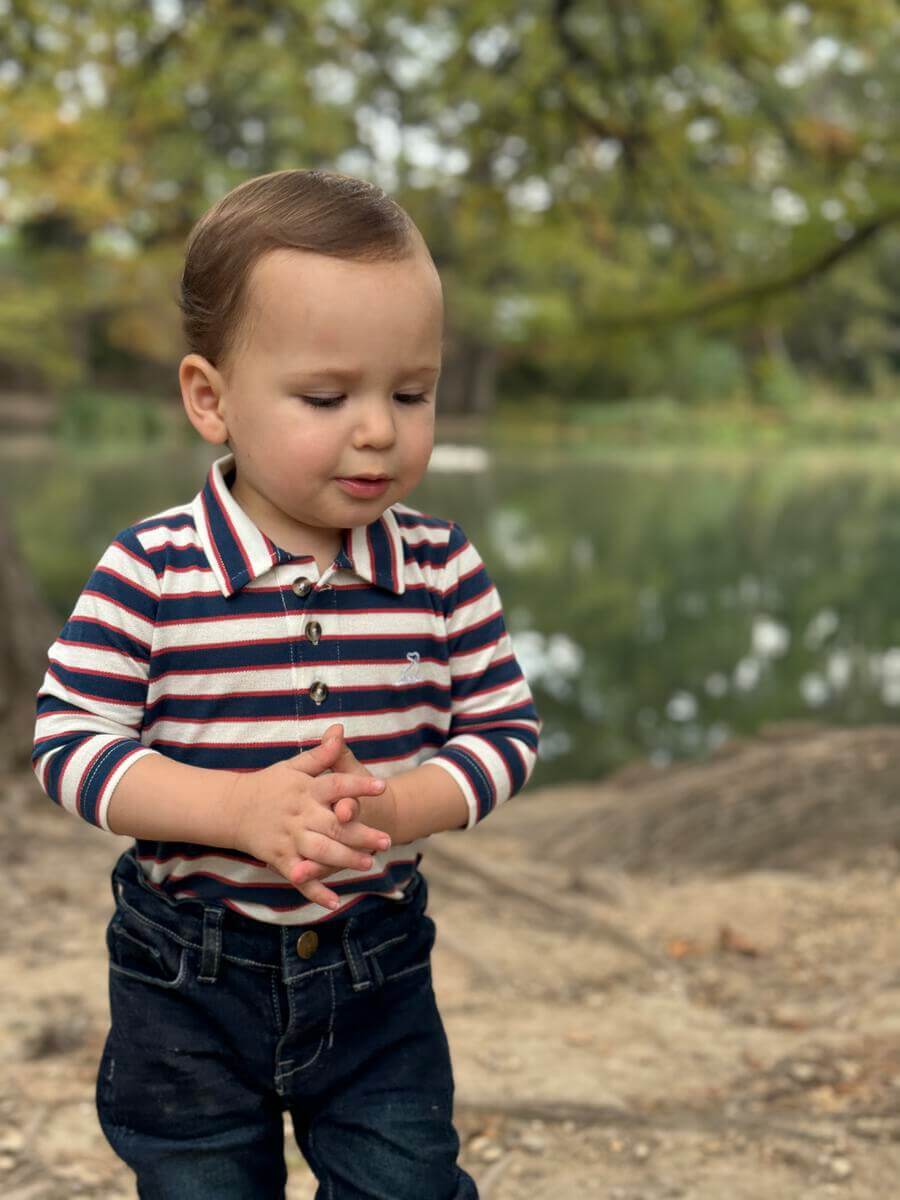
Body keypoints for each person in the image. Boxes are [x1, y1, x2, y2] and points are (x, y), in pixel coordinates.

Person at [31, 168, 541, 1199]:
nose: (378, 430)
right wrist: (233, 808)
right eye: (326, 397)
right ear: (210, 400)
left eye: (411, 393)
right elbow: (71, 745)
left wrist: (401, 803)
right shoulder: (153, 570)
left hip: (374, 962)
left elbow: (504, 734)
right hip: (186, 970)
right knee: (202, 1181)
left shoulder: (439, 570)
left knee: (404, 1179)